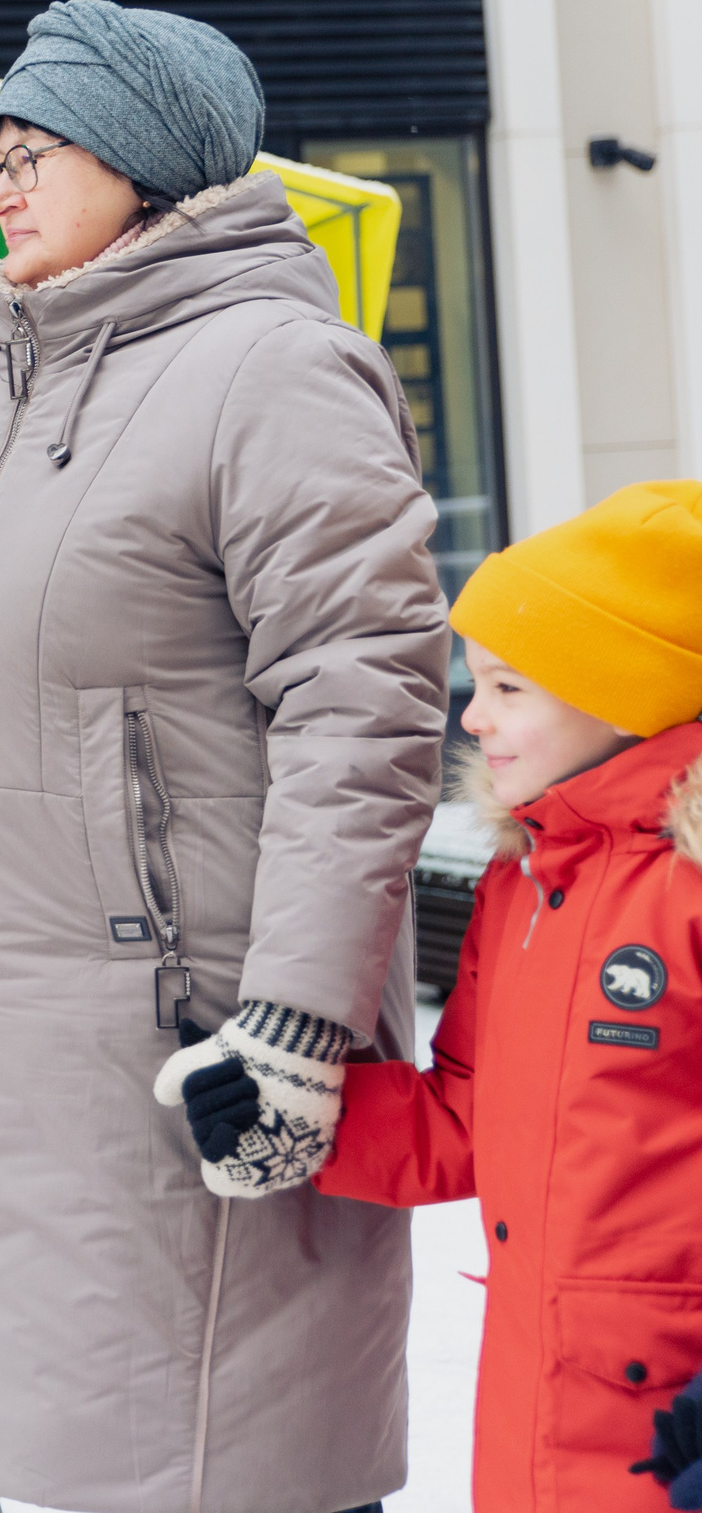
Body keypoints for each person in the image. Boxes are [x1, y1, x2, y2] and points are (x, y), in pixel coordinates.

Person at [0, 0, 446, 1513]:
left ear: (149, 163)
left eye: (34, 150)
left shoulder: (273, 371)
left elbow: (363, 711)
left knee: (223, 1464)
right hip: (4, 1047)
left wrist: (296, 1026)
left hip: (186, 1052)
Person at [300, 483, 702, 1513]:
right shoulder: (523, 882)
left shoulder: (689, 888)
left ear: (622, 692)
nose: (470, 715)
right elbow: (467, 1119)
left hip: (669, 1432)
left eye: (509, 686)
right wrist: (298, 1111)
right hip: (538, 1422)